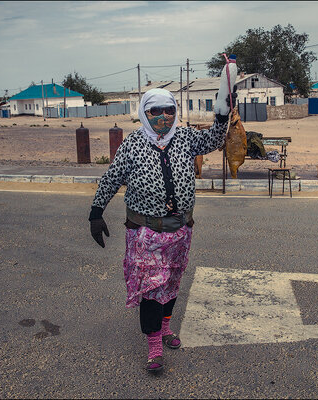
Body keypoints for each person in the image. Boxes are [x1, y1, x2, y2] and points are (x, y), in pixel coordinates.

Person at [88, 73, 237, 373]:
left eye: (169, 110)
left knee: (171, 283)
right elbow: (112, 177)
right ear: (145, 112)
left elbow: (214, 140)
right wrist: (96, 211)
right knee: (152, 289)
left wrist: (222, 113)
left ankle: (165, 328)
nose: (164, 116)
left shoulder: (184, 138)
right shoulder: (133, 145)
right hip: (146, 233)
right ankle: (154, 345)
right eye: (156, 111)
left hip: (181, 230)